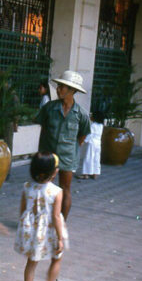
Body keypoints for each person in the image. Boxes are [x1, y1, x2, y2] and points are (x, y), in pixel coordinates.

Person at [14, 152, 69, 281]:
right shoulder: (57, 192)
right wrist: (60, 238)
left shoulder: (26, 187)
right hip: (49, 230)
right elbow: (57, 217)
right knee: (56, 258)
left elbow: (22, 210)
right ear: (54, 172)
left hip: (32, 230)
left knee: (31, 262)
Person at [36, 70, 90, 220]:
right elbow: (44, 130)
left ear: (72, 90)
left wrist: (72, 149)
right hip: (49, 155)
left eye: (62, 87)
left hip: (68, 157)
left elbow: (83, 134)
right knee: (44, 187)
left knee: (65, 189)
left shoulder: (81, 114)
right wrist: (41, 153)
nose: (58, 89)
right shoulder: (49, 108)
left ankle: (61, 222)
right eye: (59, 86)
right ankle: (41, 219)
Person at [77, 111, 104, 179]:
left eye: (91, 116)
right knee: (96, 158)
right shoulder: (101, 125)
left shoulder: (93, 125)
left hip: (92, 143)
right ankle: (95, 173)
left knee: (88, 157)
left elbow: (89, 135)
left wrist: (83, 141)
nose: (90, 117)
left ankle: (85, 174)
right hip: (98, 143)